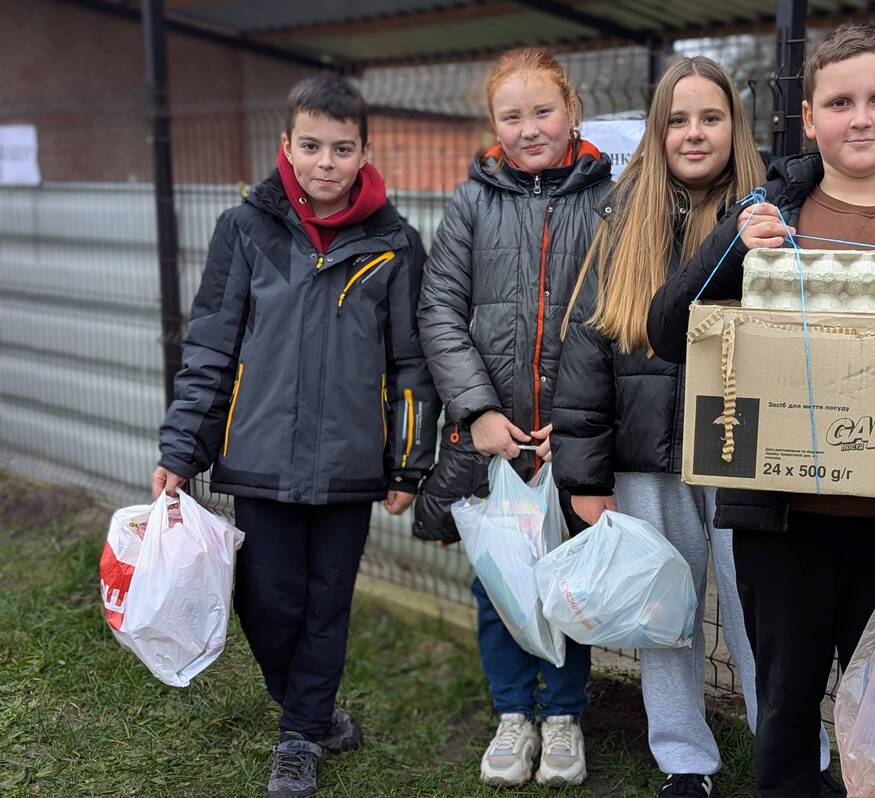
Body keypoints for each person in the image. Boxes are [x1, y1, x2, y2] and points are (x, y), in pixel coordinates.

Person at [646, 24, 875, 798]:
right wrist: (730, 247)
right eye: (840, 102)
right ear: (809, 118)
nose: (861, 118)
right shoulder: (765, 213)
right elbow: (668, 333)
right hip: (780, 527)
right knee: (784, 709)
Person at [552, 55, 836, 798]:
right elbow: (586, 348)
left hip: (746, 449)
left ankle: (796, 755)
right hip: (644, 459)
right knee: (665, 619)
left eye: (711, 117)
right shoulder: (621, 220)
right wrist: (584, 475)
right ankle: (684, 762)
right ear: (658, 131)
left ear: (735, 126)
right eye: (677, 120)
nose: (694, 132)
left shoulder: (778, 214)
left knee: (763, 616)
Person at [152, 74, 439, 798]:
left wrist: (407, 463)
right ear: (286, 145)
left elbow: (412, 364)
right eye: (311, 146)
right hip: (258, 459)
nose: (325, 163)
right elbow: (211, 347)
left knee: (325, 604)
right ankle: (309, 709)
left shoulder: (395, 245)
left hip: (349, 466)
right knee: (267, 601)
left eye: (342, 149)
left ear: (365, 152)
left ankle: (298, 737)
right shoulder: (244, 230)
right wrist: (182, 450)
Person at [415, 47, 612, 788]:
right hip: (495, 441)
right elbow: (439, 309)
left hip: (572, 438)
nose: (529, 128)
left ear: (572, 112)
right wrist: (478, 411)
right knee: (498, 584)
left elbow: (623, 314)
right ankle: (511, 715)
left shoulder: (611, 200)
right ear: (493, 124)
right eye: (512, 116)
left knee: (566, 582)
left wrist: (582, 420)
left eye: (543, 111)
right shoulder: (472, 202)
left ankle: (562, 717)